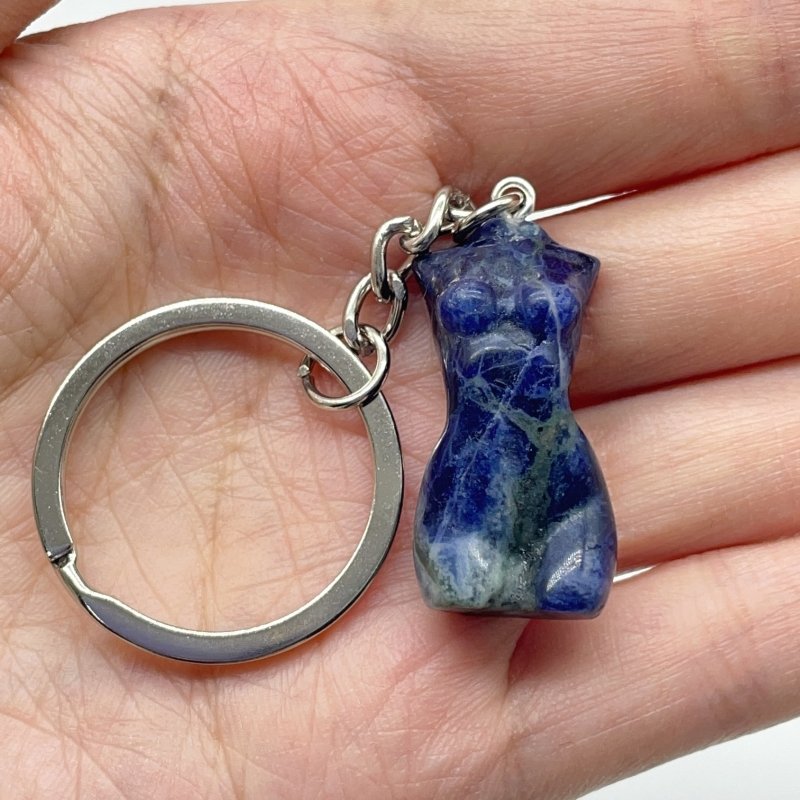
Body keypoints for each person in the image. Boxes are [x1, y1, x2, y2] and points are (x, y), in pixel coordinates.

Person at [1, 1, 798, 797]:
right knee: (467, 545)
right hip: (474, 437)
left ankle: (543, 575)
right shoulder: (446, 273)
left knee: (567, 542)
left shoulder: (569, 271)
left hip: (552, 434)